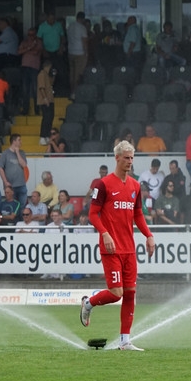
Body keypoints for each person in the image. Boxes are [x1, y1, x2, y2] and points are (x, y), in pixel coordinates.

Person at [79, 141, 157, 351]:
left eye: (132, 158)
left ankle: (125, 341)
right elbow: (92, 214)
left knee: (130, 293)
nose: (130, 161)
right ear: (117, 158)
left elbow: (138, 215)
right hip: (111, 249)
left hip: (129, 249)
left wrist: (148, 236)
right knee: (116, 293)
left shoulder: (135, 186)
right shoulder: (103, 185)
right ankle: (88, 303)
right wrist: (104, 233)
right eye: (126, 158)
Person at [0, 133, 29, 204]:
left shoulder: (22, 152)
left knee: (22, 206)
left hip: (21, 184)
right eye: (19, 140)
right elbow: (0, 168)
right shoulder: (5, 153)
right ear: (14, 141)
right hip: (10, 185)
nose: (21, 142)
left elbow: (24, 165)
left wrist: (17, 153)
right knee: (12, 204)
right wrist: (5, 181)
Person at [17, 28, 43, 112]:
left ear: (35, 35)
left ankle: (37, 109)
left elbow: (36, 52)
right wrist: (30, 48)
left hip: (34, 67)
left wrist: (26, 50)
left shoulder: (38, 42)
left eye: (32, 35)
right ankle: (25, 110)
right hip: (24, 67)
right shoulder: (24, 42)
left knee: (35, 89)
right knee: (25, 89)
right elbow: (18, 52)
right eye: (29, 35)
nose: (30, 37)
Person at [67, 11, 89, 98]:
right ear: (83, 19)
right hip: (80, 53)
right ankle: (74, 93)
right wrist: (86, 53)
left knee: (72, 74)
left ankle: (71, 91)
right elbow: (84, 42)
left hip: (70, 52)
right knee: (78, 74)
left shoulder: (70, 26)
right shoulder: (82, 28)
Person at [37, 60, 55, 145]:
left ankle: (47, 135)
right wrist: (45, 98)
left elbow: (51, 84)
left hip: (50, 99)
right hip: (45, 100)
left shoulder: (47, 75)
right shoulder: (41, 74)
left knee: (50, 117)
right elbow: (41, 87)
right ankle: (42, 136)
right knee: (46, 118)